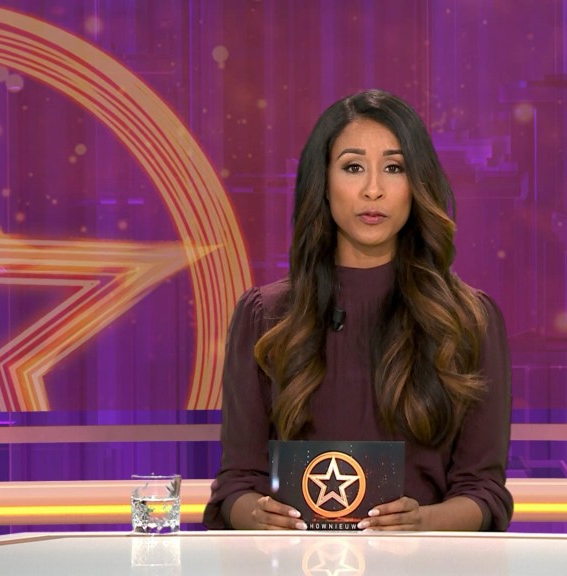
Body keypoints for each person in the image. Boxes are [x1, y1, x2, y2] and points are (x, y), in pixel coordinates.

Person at [202, 89, 512, 531]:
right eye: (353, 167)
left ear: (417, 184)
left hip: (425, 562)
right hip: (296, 560)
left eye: (394, 168)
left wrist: (422, 522)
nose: (373, 190)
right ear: (324, 184)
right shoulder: (265, 316)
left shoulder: (468, 320)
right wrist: (257, 514)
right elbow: (236, 485)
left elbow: (484, 492)